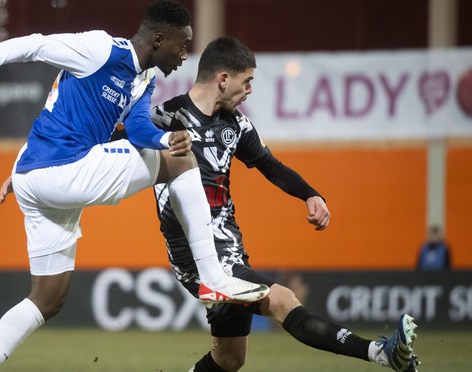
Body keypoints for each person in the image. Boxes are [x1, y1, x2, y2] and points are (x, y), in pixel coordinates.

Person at [0, 0, 269, 371]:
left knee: (47, 298)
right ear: (159, 39)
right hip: (58, 170)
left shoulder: (144, 79)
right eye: (183, 45)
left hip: (38, 178)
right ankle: (213, 277)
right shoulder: (101, 49)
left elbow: (139, 129)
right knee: (183, 162)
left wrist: (163, 141)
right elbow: (34, 43)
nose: (186, 56)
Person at [146, 36, 421, 371]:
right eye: (246, 81)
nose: (250, 90)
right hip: (200, 257)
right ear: (222, 79)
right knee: (281, 300)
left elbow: (270, 166)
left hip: (231, 249)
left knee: (230, 359)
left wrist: (310, 193)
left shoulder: (235, 124)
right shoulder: (164, 117)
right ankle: (380, 352)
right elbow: (117, 145)